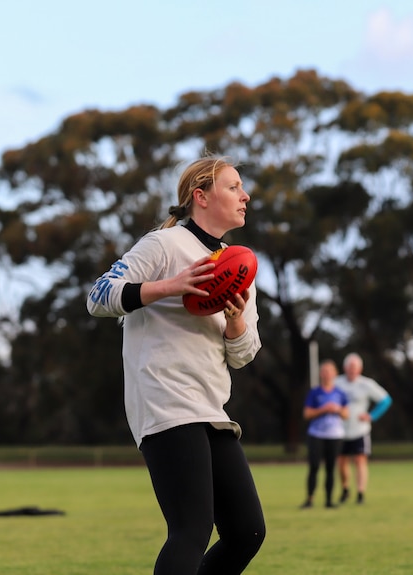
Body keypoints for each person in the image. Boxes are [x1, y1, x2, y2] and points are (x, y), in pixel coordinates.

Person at [86, 155, 265, 574]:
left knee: (246, 532)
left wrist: (236, 318)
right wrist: (171, 286)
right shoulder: (163, 245)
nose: (246, 195)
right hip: (165, 401)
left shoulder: (239, 266)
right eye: (234, 186)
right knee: (191, 529)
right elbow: (98, 296)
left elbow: (243, 355)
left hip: (209, 407)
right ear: (200, 197)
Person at [335, 352, 392, 505]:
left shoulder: (366, 384)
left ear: (360, 369)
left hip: (360, 429)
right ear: (345, 368)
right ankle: (345, 489)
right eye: (349, 367)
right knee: (341, 461)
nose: (352, 370)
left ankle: (360, 493)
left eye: (355, 367)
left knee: (360, 460)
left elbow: (386, 400)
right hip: (340, 430)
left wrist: (371, 416)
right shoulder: (337, 383)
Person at [301, 359, 349, 509]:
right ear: (321, 374)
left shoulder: (340, 393)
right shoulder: (315, 393)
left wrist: (337, 410)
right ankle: (309, 499)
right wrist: (323, 409)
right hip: (316, 434)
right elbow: (307, 414)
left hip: (335, 435)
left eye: (330, 371)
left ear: (335, 373)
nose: (327, 374)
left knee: (330, 468)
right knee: (314, 466)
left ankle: (329, 500)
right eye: (324, 371)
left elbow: (346, 414)